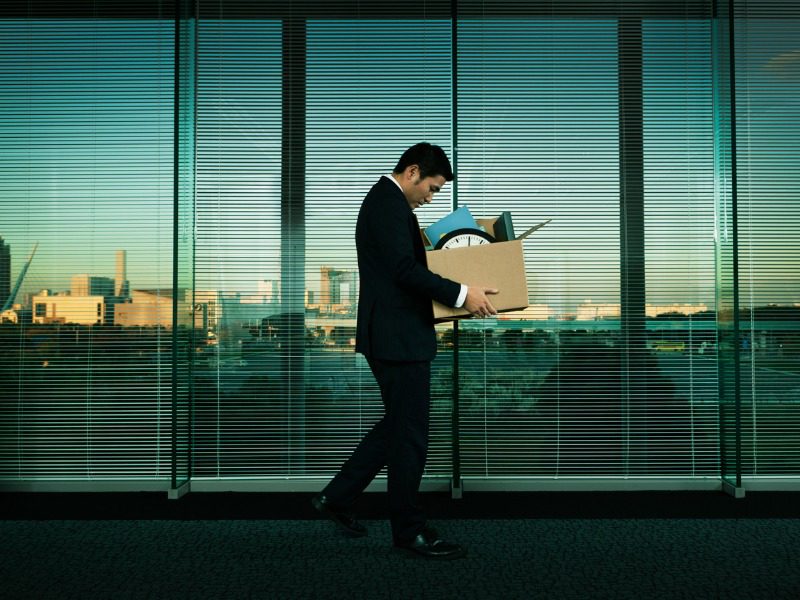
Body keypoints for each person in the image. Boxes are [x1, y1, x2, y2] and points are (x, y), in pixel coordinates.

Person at [312, 142, 498, 560]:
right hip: (397, 338)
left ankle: (338, 497)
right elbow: (403, 270)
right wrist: (463, 293)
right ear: (412, 172)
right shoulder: (387, 204)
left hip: (395, 335)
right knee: (410, 436)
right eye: (431, 188)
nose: (431, 198)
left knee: (399, 426)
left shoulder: (390, 205)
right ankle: (408, 531)